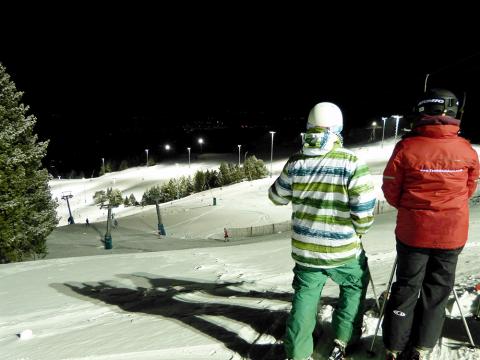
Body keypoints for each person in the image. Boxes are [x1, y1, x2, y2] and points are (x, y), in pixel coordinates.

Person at [268, 102, 376, 360]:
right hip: (343, 250)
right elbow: (363, 210)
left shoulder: (296, 162)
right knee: (353, 286)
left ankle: (297, 351)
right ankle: (344, 339)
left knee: (305, 295)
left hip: (305, 249)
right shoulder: (351, 163)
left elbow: (276, 197)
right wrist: (359, 230)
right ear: (338, 129)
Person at [381, 88, 480, 360]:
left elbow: (391, 188)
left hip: (414, 232)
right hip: (451, 233)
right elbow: (469, 187)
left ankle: (394, 346)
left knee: (407, 286)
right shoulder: (465, 149)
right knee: (437, 291)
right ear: (452, 113)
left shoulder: (407, 147)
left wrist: (412, 207)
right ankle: (422, 347)